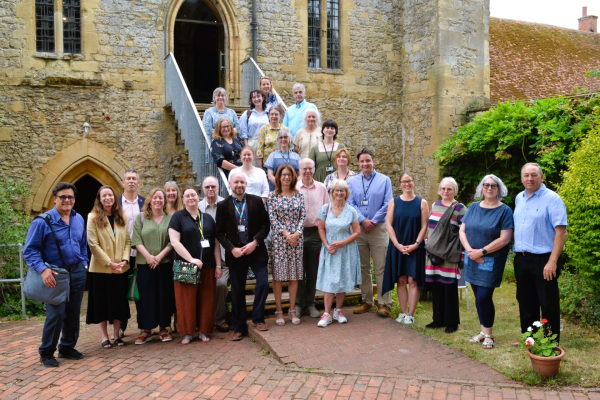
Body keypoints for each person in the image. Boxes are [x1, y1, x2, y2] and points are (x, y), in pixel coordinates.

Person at [23, 182, 88, 368]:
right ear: (54, 199)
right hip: (55, 274)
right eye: (63, 197)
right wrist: (43, 270)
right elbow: (30, 251)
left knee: (73, 312)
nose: (67, 200)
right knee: (56, 314)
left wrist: (84, 263)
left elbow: (83, 243)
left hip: (76, 271)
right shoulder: (42, 222)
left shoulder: (78, 219)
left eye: (70, 197)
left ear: (74, 200)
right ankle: (46, 352)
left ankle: (67, 347)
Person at [513, 163, 567, 343]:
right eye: (526, 175)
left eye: (534, 175)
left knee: (548, 303)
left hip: (544, 259)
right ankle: (530, 339)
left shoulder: (552, 199)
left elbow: (561, 232)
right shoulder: (519, 198)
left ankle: (551, 342)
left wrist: (552, 262)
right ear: (521, 178)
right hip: (522, 258)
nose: (530, 178)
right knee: (526, 301)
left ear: (541, 177)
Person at [459, 175, 514, 350]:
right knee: (477, 296)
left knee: (484, 296)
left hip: (490, 260)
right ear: (481, 188)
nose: (489, 188)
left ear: (499, 189)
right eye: (486, 185)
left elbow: (505, 239)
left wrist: (481, 252)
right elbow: (462, 230)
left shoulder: (505, 211)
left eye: (493, 185)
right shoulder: (474, 207)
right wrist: (470, 251)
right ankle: (483, 331)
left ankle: (489, 334)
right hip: (471, 258)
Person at [216, 172, 271, 340]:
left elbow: (265, 226)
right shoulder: (223, 206)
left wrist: (255, 243)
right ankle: (239, 327)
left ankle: (257, 318)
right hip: (236, 254)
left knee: (263, 284)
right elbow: (219, 233)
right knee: (238, 291)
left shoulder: (256, 201)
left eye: (242, 182)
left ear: (246, 183)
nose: (239, 185)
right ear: (230, 184)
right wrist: (231, 249)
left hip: (256, 252)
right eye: (236, 182)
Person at [168, 188, 222, 344]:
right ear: (183, 199)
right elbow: (174, 242)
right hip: (186, 266)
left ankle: (204, 331)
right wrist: (191, 259)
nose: (191, 198)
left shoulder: (208, 218)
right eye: (187, 196)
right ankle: (188, 333)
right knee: (186, 300)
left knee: (206, 299)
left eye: (193, 195)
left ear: (198, 198)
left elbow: (216, 244)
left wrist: (218, 265)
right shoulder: (177, 217)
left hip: (207, 266)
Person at [347, 149, 393, 316]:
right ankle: (366, 301)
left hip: (378, 228)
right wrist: (363, 220)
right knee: (363, 267)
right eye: (362, 161)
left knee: (381, 267)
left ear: (374, 161)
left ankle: (384, 303)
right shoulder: (353, 182)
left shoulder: (384, 180)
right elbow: (350, 203)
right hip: (360, 228)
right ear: (358, 163)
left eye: (368, 160)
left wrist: (372, 220)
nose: (365, 164)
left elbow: (388, 203)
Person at [86, 185, 132, 349]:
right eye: (104, 196)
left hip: (120, 268)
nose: (107, 198)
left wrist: (125, 261)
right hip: (101, 269)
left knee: (119, 302)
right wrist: (109, 263)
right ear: (99, 198)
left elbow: (127, 241)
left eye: (110, 195)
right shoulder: (92, 217)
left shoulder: (122, 216)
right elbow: (93, 244)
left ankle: (117, 335)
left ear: (114, 198)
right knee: (102, 303)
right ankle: (105, 337)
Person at [381, 173, 428, 325]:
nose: (407, 184)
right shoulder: (393, 202)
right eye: (404, 181)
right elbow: (388, 224)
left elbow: (424, 226)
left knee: (412, 280)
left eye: (409, 181)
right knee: (401, 280)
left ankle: (411, 315)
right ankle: (403, 312)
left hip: (415, 247)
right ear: (400, 184)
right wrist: (397, 244)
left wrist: (416, 244)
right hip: (398, 246)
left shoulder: (422, 203)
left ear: (414, 182)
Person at [424, 177, 468, 333]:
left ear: (454, 191)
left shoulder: (460, 208)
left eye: (449, 189)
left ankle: (451, 322)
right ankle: (438, 319)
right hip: (433, 253)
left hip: (450, 254)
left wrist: (462, 256)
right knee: (436, 286)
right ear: (439, 190)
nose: (446, 192)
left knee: (449, 288)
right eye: (443, 188)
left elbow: (465, 232)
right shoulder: (435, 205)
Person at [315, 179, 361, 327]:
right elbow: (321, 228)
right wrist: (326, 244)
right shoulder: (325, 209)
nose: (339, 193)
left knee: (342, 280)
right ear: (332, 192)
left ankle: (338, 311)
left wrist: (342, 242)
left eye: (342, 190)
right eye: (336, 190)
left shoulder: (351, 211)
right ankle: (327, 313)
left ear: (346, 193)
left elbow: (357, 232)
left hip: (345, 251)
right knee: (329, 282)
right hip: (330, 251)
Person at [131, 188, 174, 344]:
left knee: (164, 296)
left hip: (164, 265)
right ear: (149, 200)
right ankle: (146, 330)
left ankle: (164, 328)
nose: (158, 200)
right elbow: (136, 240)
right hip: (144, 265)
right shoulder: (141, 218)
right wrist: (149, 257)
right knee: (146, 298)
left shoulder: (171, 218)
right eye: (155, 197)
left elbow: (173, 241)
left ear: (164, 201)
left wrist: (160, 256)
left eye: (161, 198)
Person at [267, 166, 306, 325]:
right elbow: (272, 218)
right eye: (283, 174)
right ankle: (279, 310)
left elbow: (303, 216)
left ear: (293, 177)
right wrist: (286, 235)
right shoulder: (272, 196)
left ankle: (291, 310)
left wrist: (297, 233)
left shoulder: (299, 195)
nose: (286, 177)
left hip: (297, 241)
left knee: (294, 276)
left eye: (289, 175)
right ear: (278, 177)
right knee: (278, 277)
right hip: (279, 241)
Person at [295, 158, 330, 318]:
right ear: (300, 170)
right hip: (297, 233)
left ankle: (310, 303)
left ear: (314, 169)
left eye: (310, 168)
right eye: (304, 168)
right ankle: (298, 304)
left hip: (316, 233)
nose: (307, 171)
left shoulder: (322, 188)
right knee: (298, 271)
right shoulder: (293, 187)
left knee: (313, 270)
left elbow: (327, 211)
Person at [198, 176, 229, 333]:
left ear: (218, 188)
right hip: (202, 258)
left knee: (221, 284)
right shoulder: (196, 207)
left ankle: (219, 319)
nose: (210, 189)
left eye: (213, 186)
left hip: (223, 258)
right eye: (207, 187)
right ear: (203, 189)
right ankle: (201, 321)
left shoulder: (226, 205)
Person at [118, 169, 145, 338]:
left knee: (141, 289)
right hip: (122, 253)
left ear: (138, 183)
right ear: (123, 183)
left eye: (134, 179)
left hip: (142, 252)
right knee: (121, 290)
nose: (131, 182)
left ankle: (144, 325)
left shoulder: (144, 202)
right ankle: (121, 326)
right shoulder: (117, 203)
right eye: (128, 179)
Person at [240, 90, 269, 158]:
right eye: (254, 97)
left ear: (263, 98)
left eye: (258, 96)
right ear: (251, 100)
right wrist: (247, 147)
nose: (256, 99)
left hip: (266, 144)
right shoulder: (247, 114)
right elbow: (243, 133)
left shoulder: (268, 114)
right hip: (252, 144)